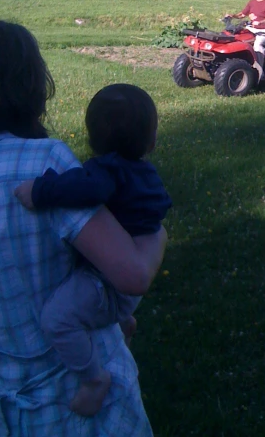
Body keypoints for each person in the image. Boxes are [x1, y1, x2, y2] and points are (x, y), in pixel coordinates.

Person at [0, 21, 167, 436]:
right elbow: (132, 273)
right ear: (31, 86)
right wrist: (157, 235)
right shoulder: (43, 164)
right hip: (80, 406)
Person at [15, 83, 172, 417]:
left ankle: (93, 380)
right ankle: (123, 321)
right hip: (130, 275)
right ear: (152, 141)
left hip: (109, 281)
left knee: (57, 319)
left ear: (92, 139)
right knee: (98, 303)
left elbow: (86, 188)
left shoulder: (107, 171)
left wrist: (40, 191)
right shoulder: (145, 173)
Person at [225, 0, 265, 78]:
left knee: (258, 44)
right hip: (252, 28)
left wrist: (260, 22)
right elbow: (242, 14)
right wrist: (232, 16)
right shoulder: (252, 2)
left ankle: (259, 72)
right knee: (235, 36)